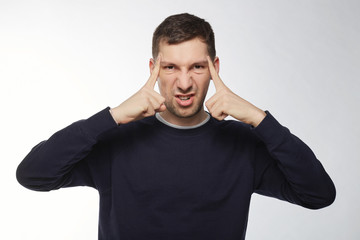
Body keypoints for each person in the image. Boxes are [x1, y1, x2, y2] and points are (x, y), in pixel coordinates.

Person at [16, 13, 336, 240]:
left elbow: (318, 194)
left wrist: (260, 119)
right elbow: (33, 175)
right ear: (154, 69)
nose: (184, 83)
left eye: (197, 67)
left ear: (215, 68)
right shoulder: (117, 139)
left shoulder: (244, 144)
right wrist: (111, 116)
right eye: (171, 67)